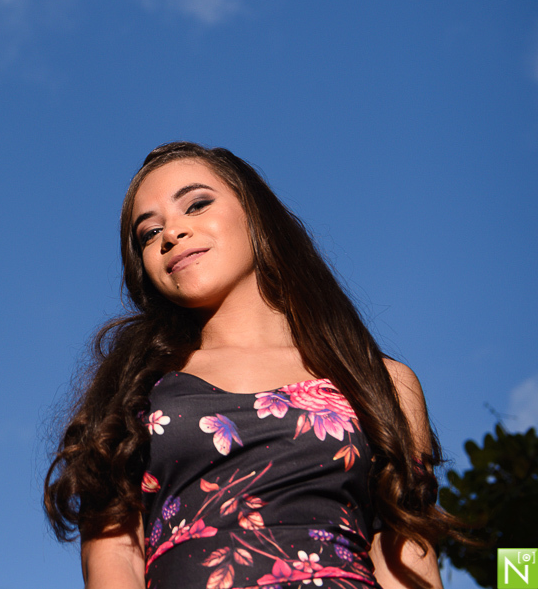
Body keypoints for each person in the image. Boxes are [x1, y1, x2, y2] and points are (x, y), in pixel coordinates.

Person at [44, 142, 457, 589]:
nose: (171, 234)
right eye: (148, 233)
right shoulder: (130, 391)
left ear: (255, 214)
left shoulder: (384, 383)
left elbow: (407, 555)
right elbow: (114, 558)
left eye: (197, 204)